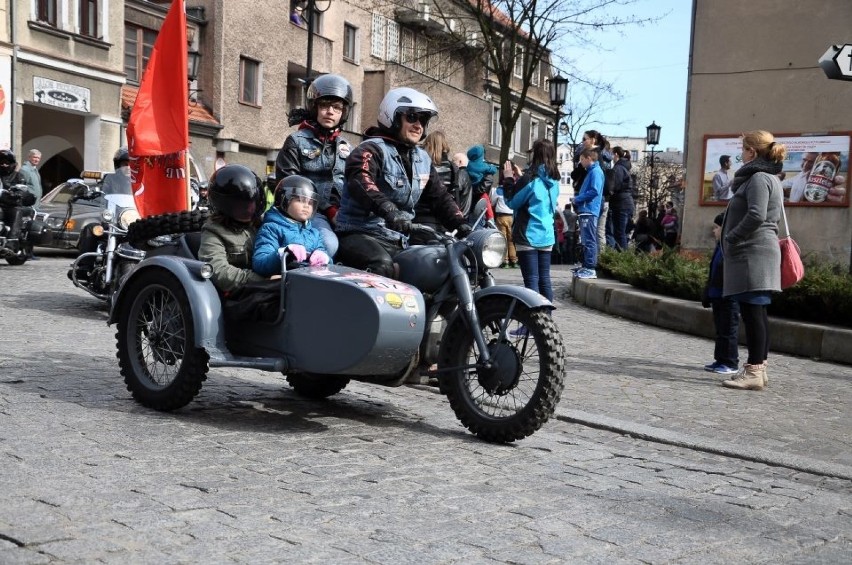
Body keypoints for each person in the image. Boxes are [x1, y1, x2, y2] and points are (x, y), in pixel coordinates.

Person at [334, 87, 470, 277]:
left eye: (423, 120)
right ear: (393, 117)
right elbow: (361, 181)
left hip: (400, 237)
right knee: (381, 265)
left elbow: (440, 197)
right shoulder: (370, 149)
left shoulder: (423, 158)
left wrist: (461, 224)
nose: (418, 125)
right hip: (361, 233)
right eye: (412, 117)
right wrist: (391, 212)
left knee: (443, 263)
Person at [720, 130, 786, 391]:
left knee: (753, 312)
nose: (740, 155)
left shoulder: (759, 177)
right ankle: (759, 368)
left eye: (743, 150)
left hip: (753, 251)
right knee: (756, 311)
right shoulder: (767, 176)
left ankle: (755, 370)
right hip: (755, 251)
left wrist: (732, 237)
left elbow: (757, 215)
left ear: (752, 152)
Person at [275, 73, 353, 258]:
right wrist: (329, 209)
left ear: (344, 112)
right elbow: (289, 184)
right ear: (314, 107)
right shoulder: (296, 141)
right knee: (329, 244)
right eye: (325, 105)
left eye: (337, 107)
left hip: (344, 214)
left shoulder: (347, 147)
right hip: (309, 212)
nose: (330, 111)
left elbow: (355, 185)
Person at [501, 139, 560, 322]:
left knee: (531, 282)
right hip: (546, 234)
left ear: (536, 154)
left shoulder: (530, 179)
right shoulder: (554, 179)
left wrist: (510, 179)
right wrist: (522, 176)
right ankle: (546, 321)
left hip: (528, 235)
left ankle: (533, 324)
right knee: (545, 279)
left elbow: (511, 201)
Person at [198, 164, 270, 295]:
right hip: (239, 293)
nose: (249, 209)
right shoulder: (213, 231)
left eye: (252, 203)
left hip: (270, 286)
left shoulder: (265, 223)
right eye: (241, 205)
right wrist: (263, 280)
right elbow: (218, 269)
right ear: (223, 205)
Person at [252, 175, 330, 277]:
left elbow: (328, 261)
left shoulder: (314, 233)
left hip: (310, 283)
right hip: (283, 285)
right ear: (284, 200)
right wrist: (283, 253)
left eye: (310, 203)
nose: (306, 206)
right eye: (300, 200)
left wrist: (325, 259)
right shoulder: (271, 228)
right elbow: (260, 263)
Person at [702, 213, 740, 375]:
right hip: (717, 294)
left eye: (717, 228)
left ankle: (730, 362)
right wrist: (708, 292)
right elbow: (713, 271)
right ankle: (720, 359)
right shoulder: (719, 246)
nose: (713, 231)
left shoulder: (731, 247)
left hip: (728, 296)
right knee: (720, 330)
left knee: (728, 331)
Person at [412, 131, 468, 236]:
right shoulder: (452, 167)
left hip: (419, 216)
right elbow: (453, 194)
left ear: (427, 144)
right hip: (444, 217)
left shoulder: (421, 164)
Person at [572, 147, 604, 279]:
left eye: (582, 160)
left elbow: (594, 191)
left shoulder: (595, 172)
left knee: (589, 239)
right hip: (587, 209)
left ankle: (590, 268)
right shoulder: (593, 171)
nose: (581, 163)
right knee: (586, 239)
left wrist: (577, 199)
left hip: (589, 209)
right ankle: (587, 266)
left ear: (588, 158)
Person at [609, 147, 635, 251]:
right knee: (621, 232)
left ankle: (623, 257)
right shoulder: (624, 167)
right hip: (625, 203)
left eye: (611, 154)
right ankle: (623, 256)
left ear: (616, 154)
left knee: (619, 233)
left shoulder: (618, 168)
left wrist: (609, 190)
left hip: (621, 204)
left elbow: (616, 185)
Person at [490, 179, 517, 268]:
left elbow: (492, 202)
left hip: (501, 217)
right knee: (511, 239)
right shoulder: (513, 190)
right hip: (511, 217)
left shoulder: (499, 190)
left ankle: (505, 261)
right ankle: (514, 260)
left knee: (503, 239)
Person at [450, 152, 474, 220]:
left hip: (458, 214)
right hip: (464, 214)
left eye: (453, 161)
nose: (452, 164)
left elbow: (454, 192)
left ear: (460, 162)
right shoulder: (467, 175)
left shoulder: (460, 174)